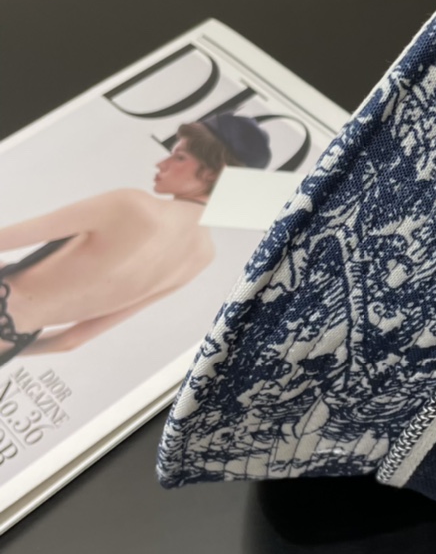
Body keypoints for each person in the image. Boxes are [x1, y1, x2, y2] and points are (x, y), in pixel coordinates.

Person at [0, 113, 271, 367]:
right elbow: (70, 341)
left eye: (179, 157)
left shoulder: (131, 204)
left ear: (213, 172)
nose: (161, 164)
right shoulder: (201, 256)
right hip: (11, 341)